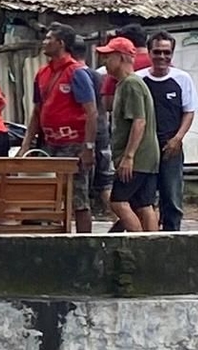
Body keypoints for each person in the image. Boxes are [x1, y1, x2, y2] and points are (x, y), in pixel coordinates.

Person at [97, 37, 160, 231]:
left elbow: (139, 122)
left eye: (108, 57)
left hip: (138, 157)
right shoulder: (128, 84)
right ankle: (153, 246)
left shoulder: (131, 84)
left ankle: (138, 242)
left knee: (118, 202)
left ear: (121, 57)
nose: (104, 63)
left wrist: (129, 156)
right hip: (147, 156)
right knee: (143, 204)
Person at [140, 34, 198, 228]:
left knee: (172, 198)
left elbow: (189, 112)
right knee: (142, 200)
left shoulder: (182, 79)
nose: (162, 57)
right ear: (149, 53)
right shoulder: (139, 80)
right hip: (144, 149)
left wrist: (177, 139)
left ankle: (172, 236)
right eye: (157, 52)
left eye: (167, 52)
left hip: (170, 147)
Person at [31, 29, 97, 161]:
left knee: (73, 182)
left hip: (73, 145)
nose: (44, 42)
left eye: (49, 39)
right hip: (48, 144)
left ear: (61, 43)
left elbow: (91, 112)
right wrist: (26, 144)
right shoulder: (42, 73)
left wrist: (89, 147)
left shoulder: (76, 72)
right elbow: (37, 111)